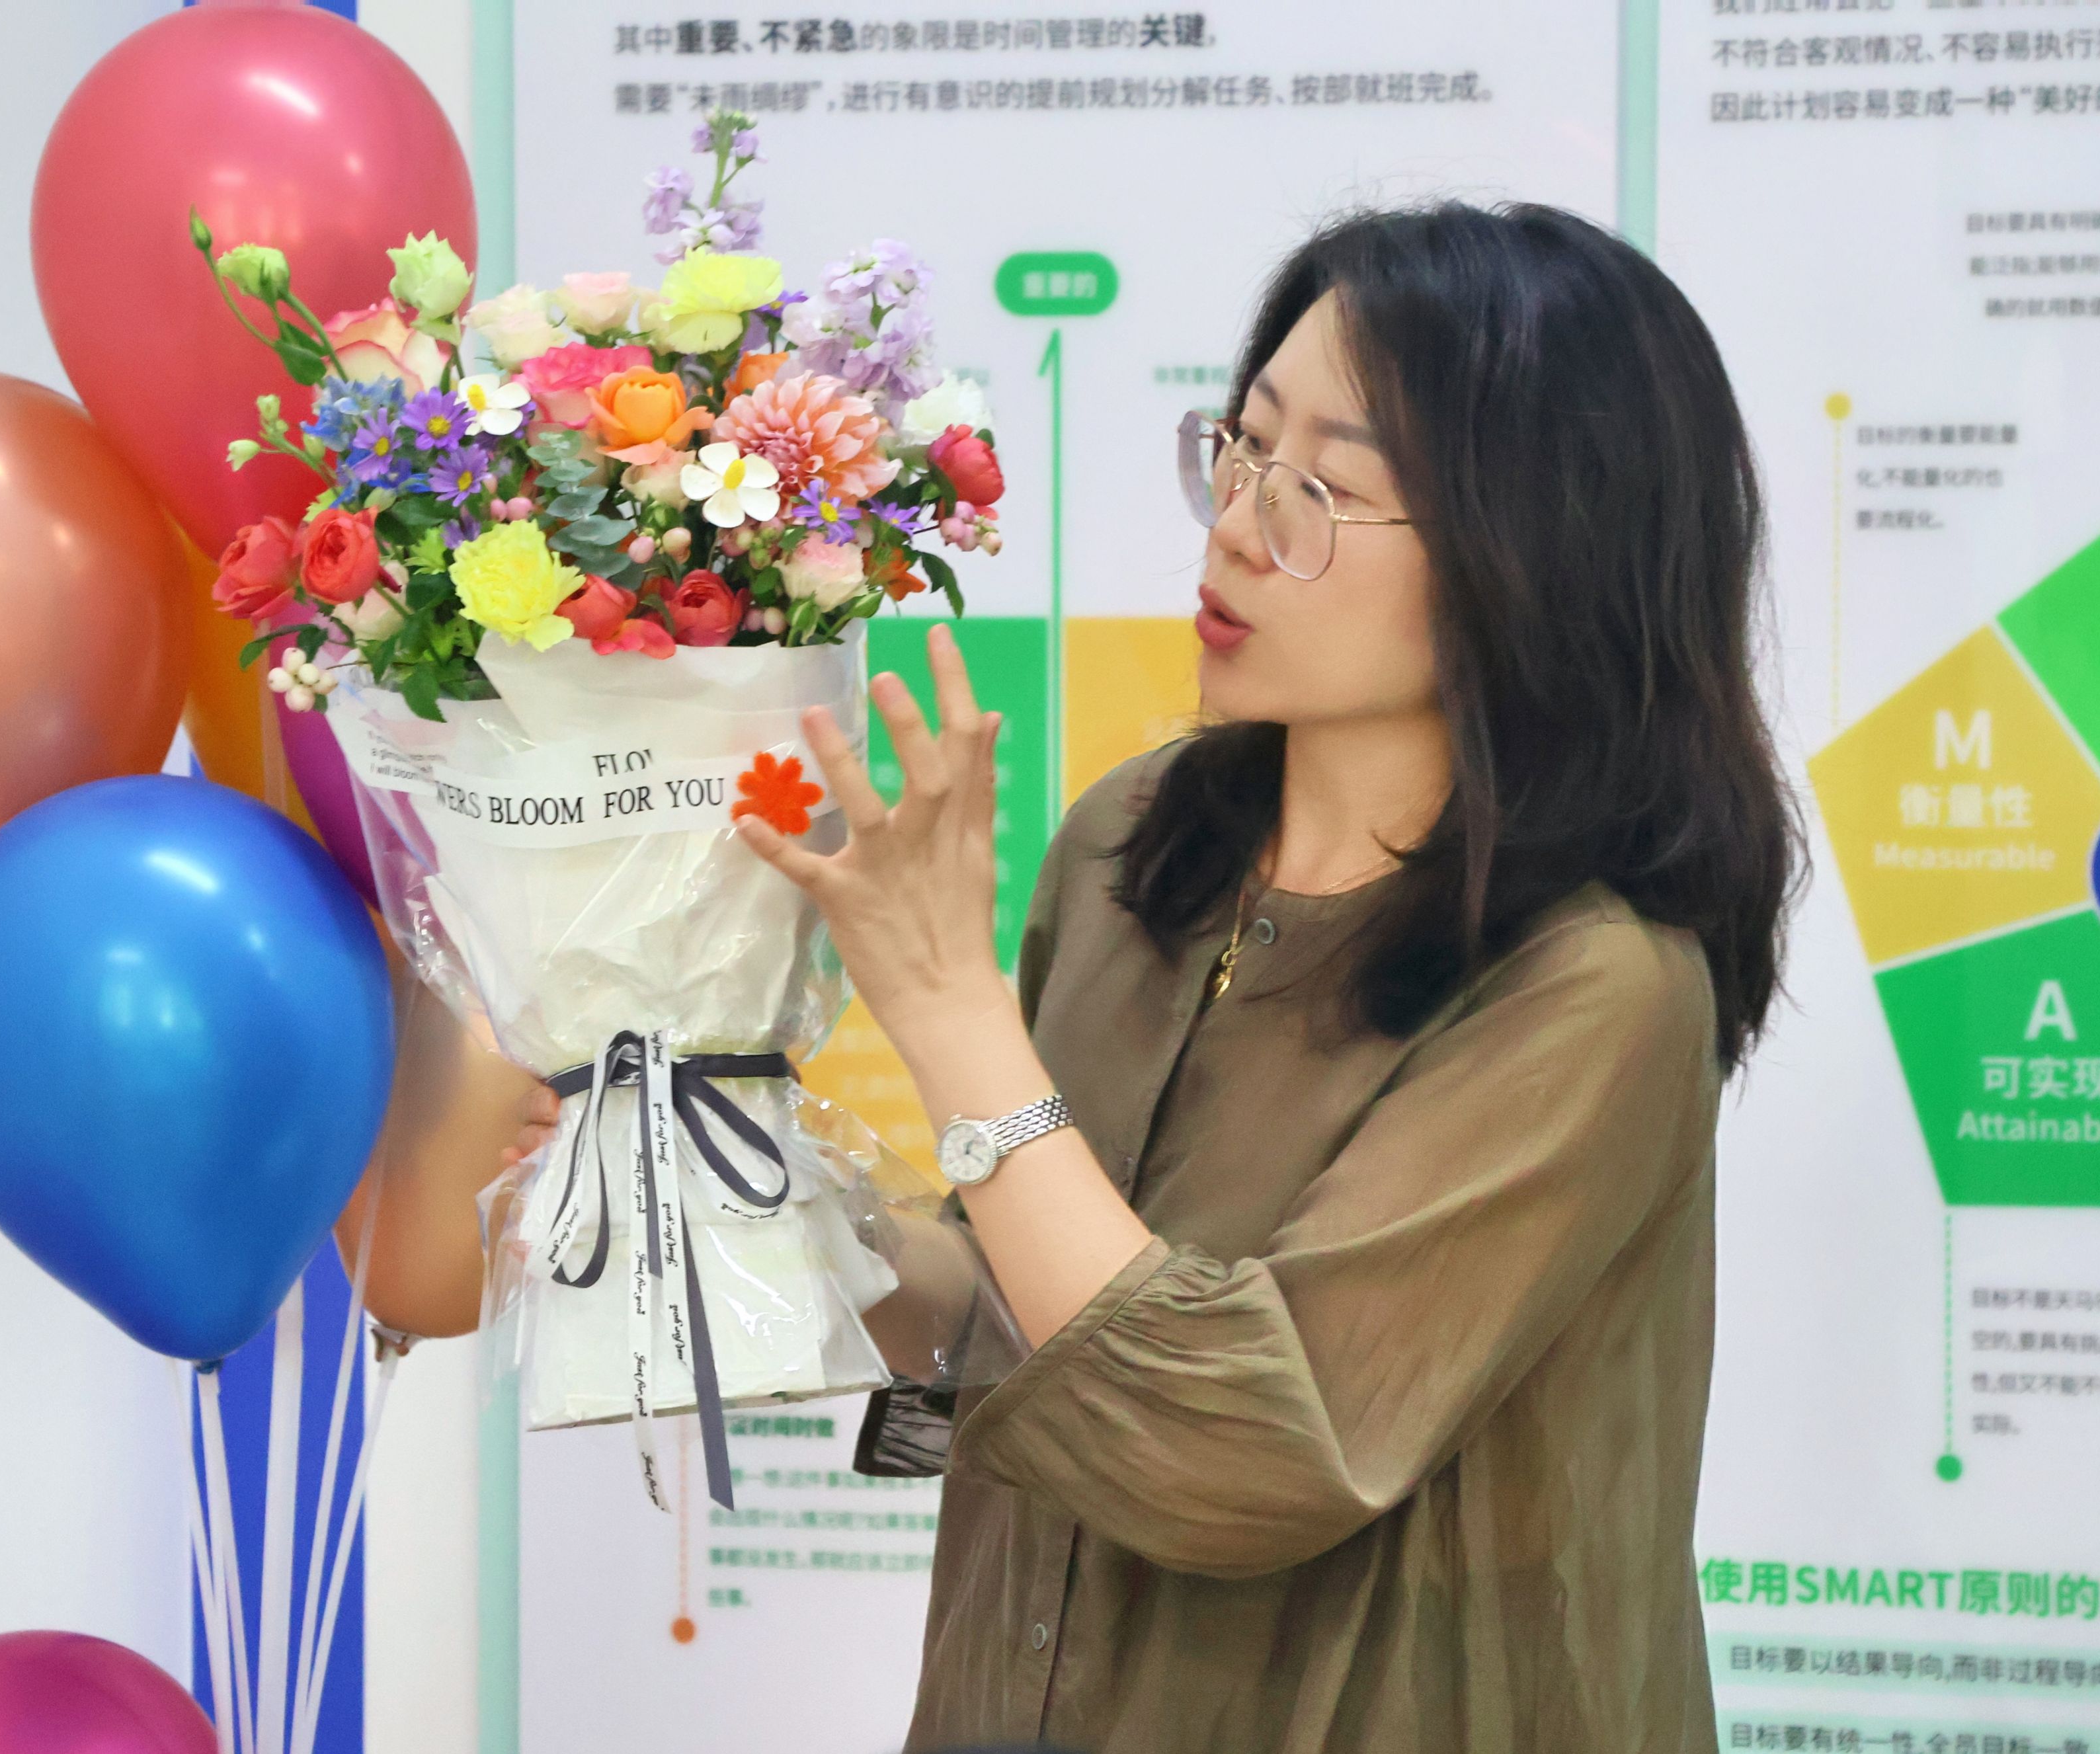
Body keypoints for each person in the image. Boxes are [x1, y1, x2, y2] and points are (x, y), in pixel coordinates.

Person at [506, 201, 1800, 1752]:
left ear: (1533, 555)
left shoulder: (1597, 987)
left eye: (1323, 490)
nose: (1238, 527)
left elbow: (1244, 1445)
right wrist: (759, 1198)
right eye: (1243, 449)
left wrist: (950, 1008)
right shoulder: (1138, 840)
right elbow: (1019, 1304)